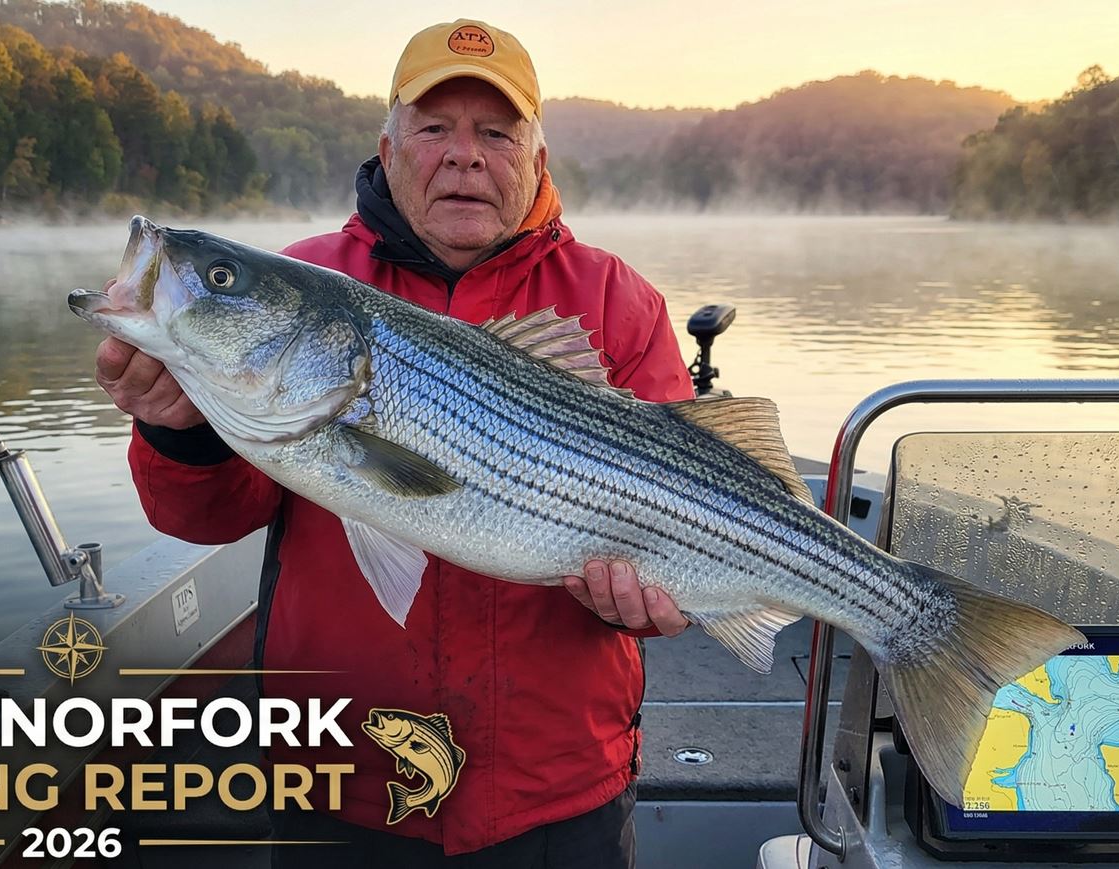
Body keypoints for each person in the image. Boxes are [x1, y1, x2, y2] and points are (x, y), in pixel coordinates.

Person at [95, 18, 694, 867]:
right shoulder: (312, 278)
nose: (465, 156)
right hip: (344, 780)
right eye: (434, 127)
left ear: (537, 157)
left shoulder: (616, 302)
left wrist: (659, 598)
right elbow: (206, 517)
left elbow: (695, 526)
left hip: (554, 788)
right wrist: (175, 427)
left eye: (496, 133)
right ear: (388, 148)